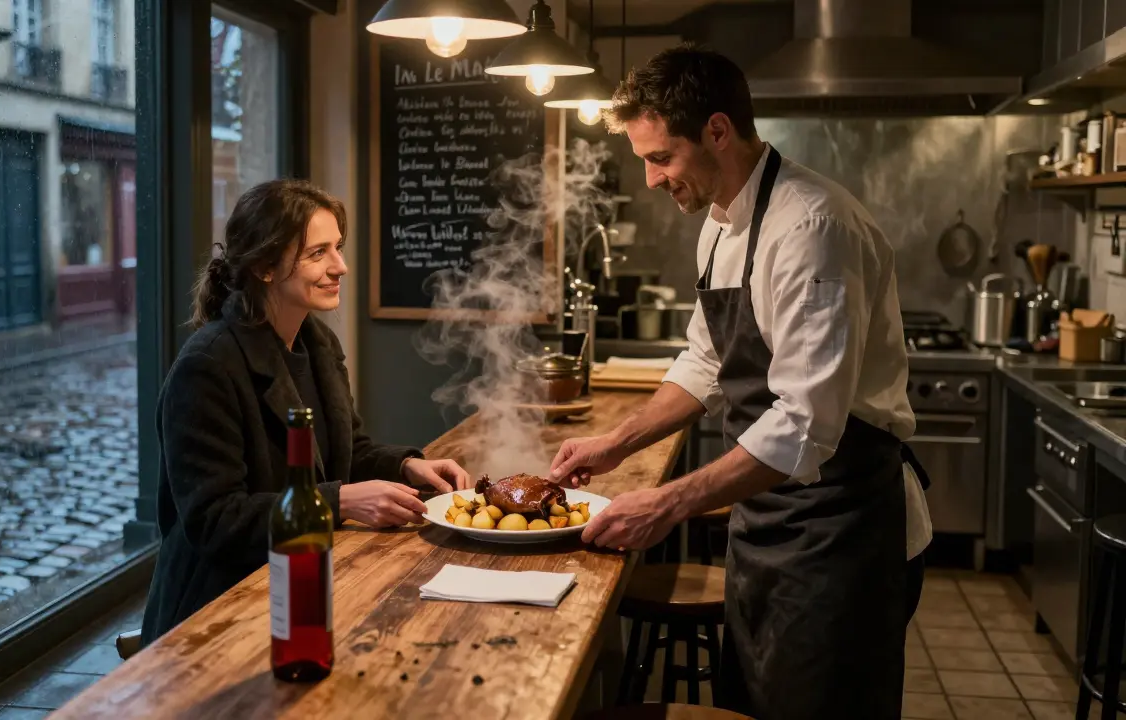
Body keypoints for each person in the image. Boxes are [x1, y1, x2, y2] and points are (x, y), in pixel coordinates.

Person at [548, 45, 932, 720]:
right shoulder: (722, 225)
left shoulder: (814, 227)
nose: (649, 179)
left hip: (840, 532)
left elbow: (806, 425)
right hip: (769, 524)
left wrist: (667, 503)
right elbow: (705, 362)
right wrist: (618, 443)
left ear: (718, 132)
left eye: (660, 157)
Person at [142, 179, 472, 645]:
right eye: (318, 253)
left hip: (301, 582)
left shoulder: (317, 343)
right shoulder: (207, 367)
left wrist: (406, 465)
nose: (341, 266)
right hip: (217, 612)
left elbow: (344, 451)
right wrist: (338, 502)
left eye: (336, 247)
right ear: (264, 266)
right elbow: (216, 522)